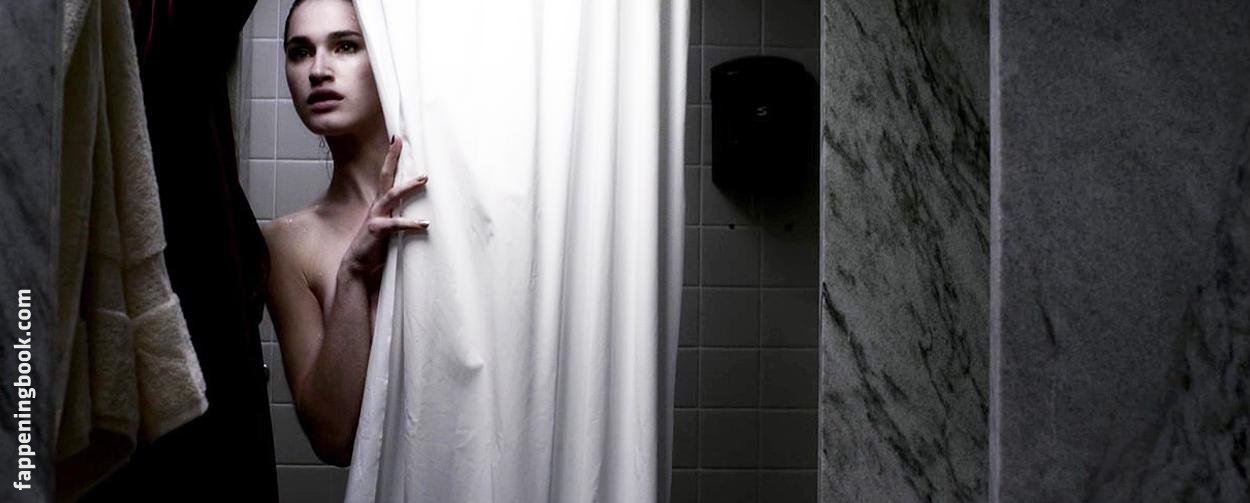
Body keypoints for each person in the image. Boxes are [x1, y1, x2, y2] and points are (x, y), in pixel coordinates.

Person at [260, 0, 430, 467]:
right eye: (300, 52)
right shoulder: (286, 245)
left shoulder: (446, 202)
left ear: (386, 61)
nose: (318, 70)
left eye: (346, 46)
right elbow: (333, 439)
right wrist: (353, 273)